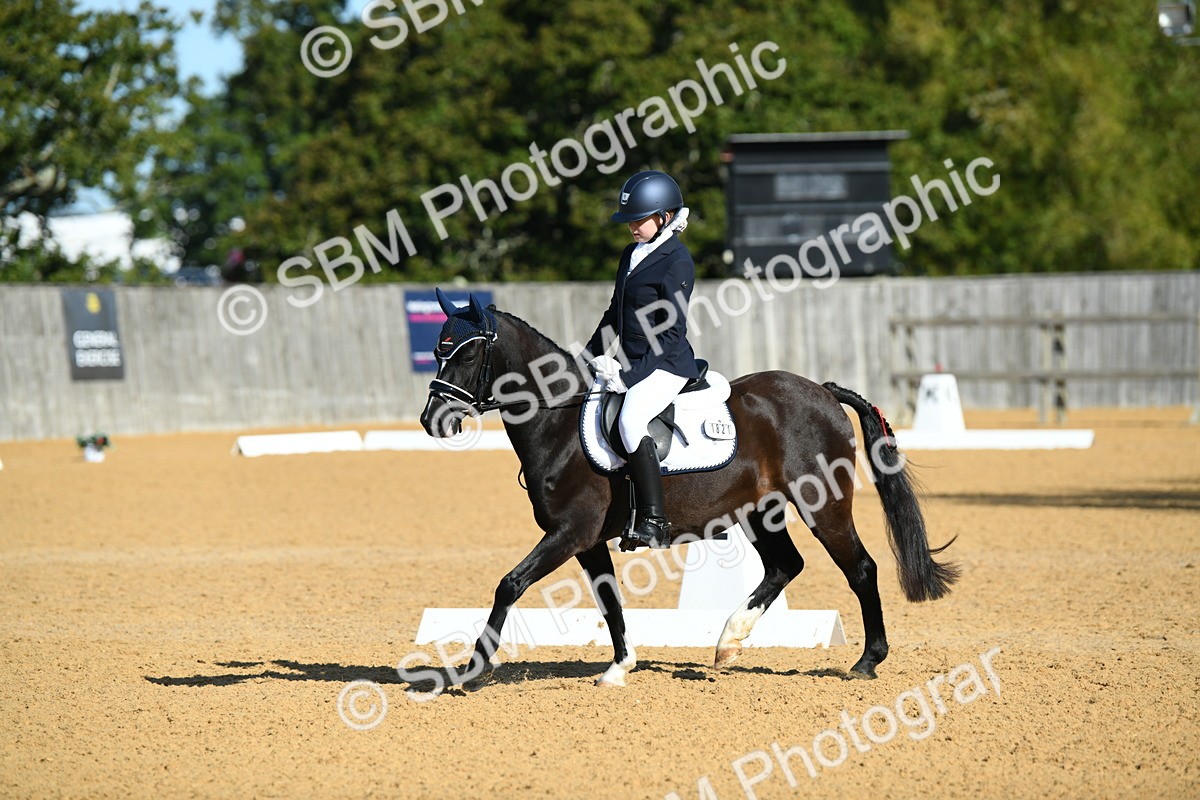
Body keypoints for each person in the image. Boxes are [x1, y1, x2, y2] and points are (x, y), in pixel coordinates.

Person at [585, 170, 701, 549]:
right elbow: (615, 312)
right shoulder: (631, 254)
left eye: (638, 219)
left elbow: (670, 334)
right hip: (630, 362)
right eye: (629, 221)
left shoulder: (677, 260)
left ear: (664, 217)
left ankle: (654, 519)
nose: (631, 227)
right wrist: (588, 358)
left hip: (665, 364)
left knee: (631, 419)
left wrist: (630, 377)